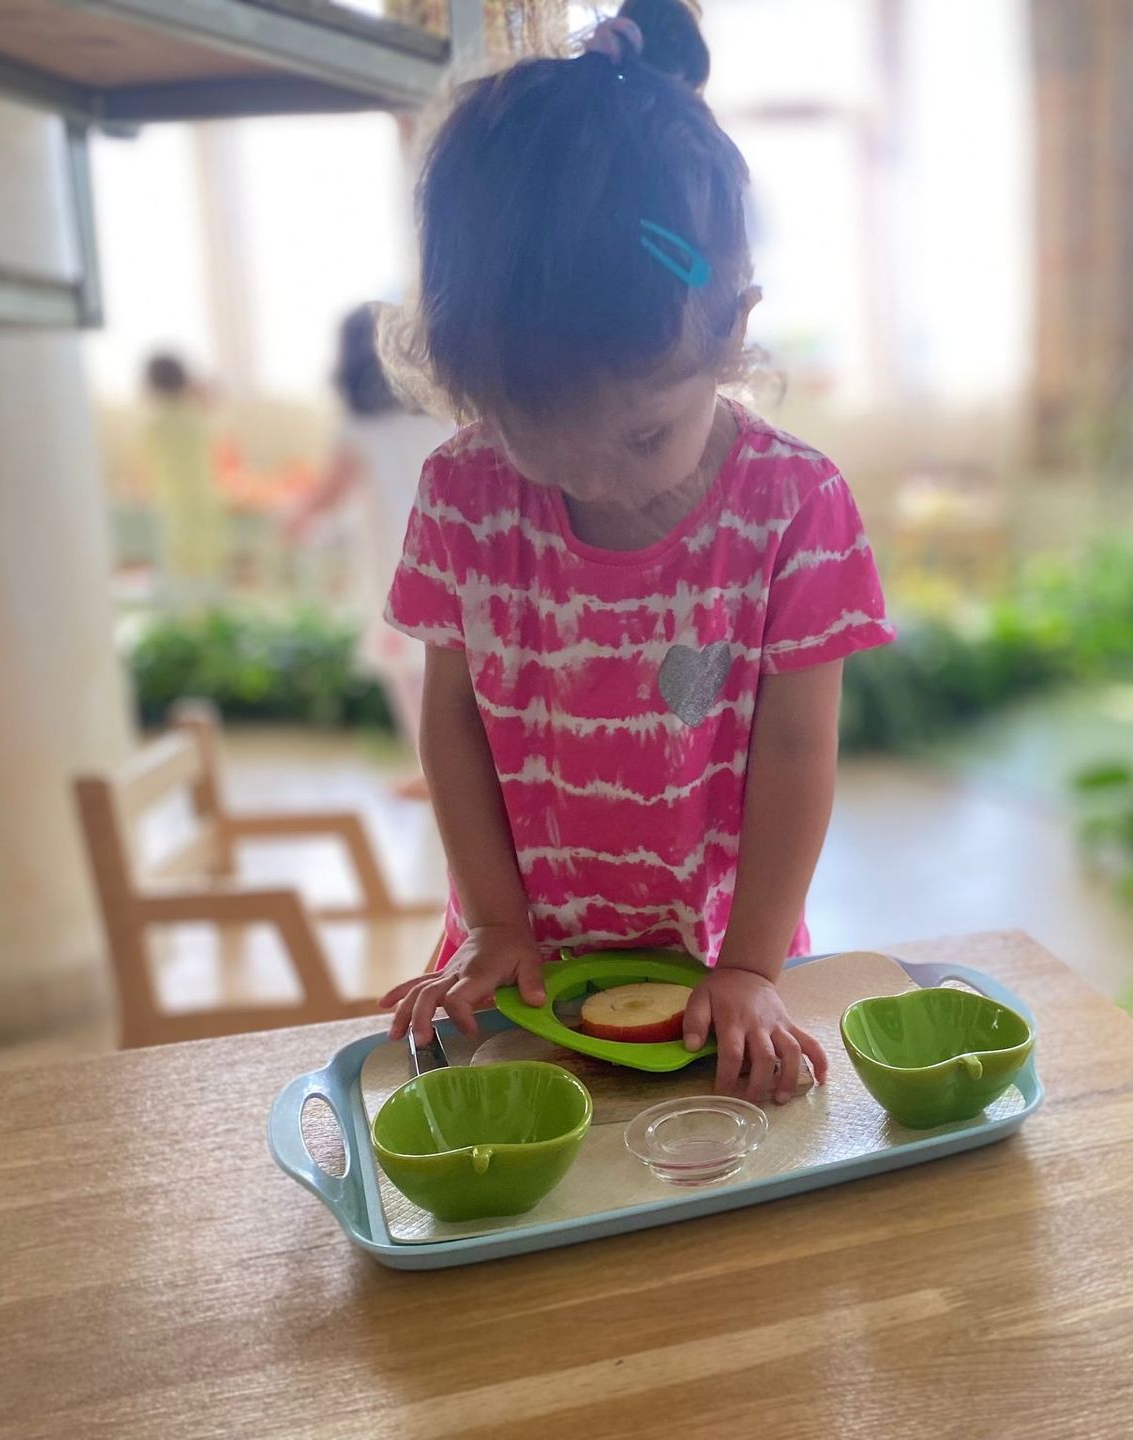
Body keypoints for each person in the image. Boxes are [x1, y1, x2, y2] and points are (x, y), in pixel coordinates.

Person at [376, 0, 896, 1105]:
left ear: (734, 328)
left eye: (645, 434)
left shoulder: (794, 507)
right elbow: (453, 720)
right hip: (523, 962)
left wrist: (754, 965)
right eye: (540, 443)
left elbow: (797, 754)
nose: (599, 480)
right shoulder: (462, 494)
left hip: (726, 970)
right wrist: (497, 923)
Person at [288, 306, 454, 790]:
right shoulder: (436, 421)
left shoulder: (357, 432)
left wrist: (297, 519)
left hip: (393, 562)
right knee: (445, 664)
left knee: (406, 672)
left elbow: (329, 494)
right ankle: (455, 767)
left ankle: (434, 770)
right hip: (445, 554)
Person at [140, 351, 228, 606]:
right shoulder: (196, 418)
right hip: (205, 503)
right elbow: (215, 400)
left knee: (181, 576)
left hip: (173, 508)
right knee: (209, 572)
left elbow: (145, 464)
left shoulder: (154, 425)